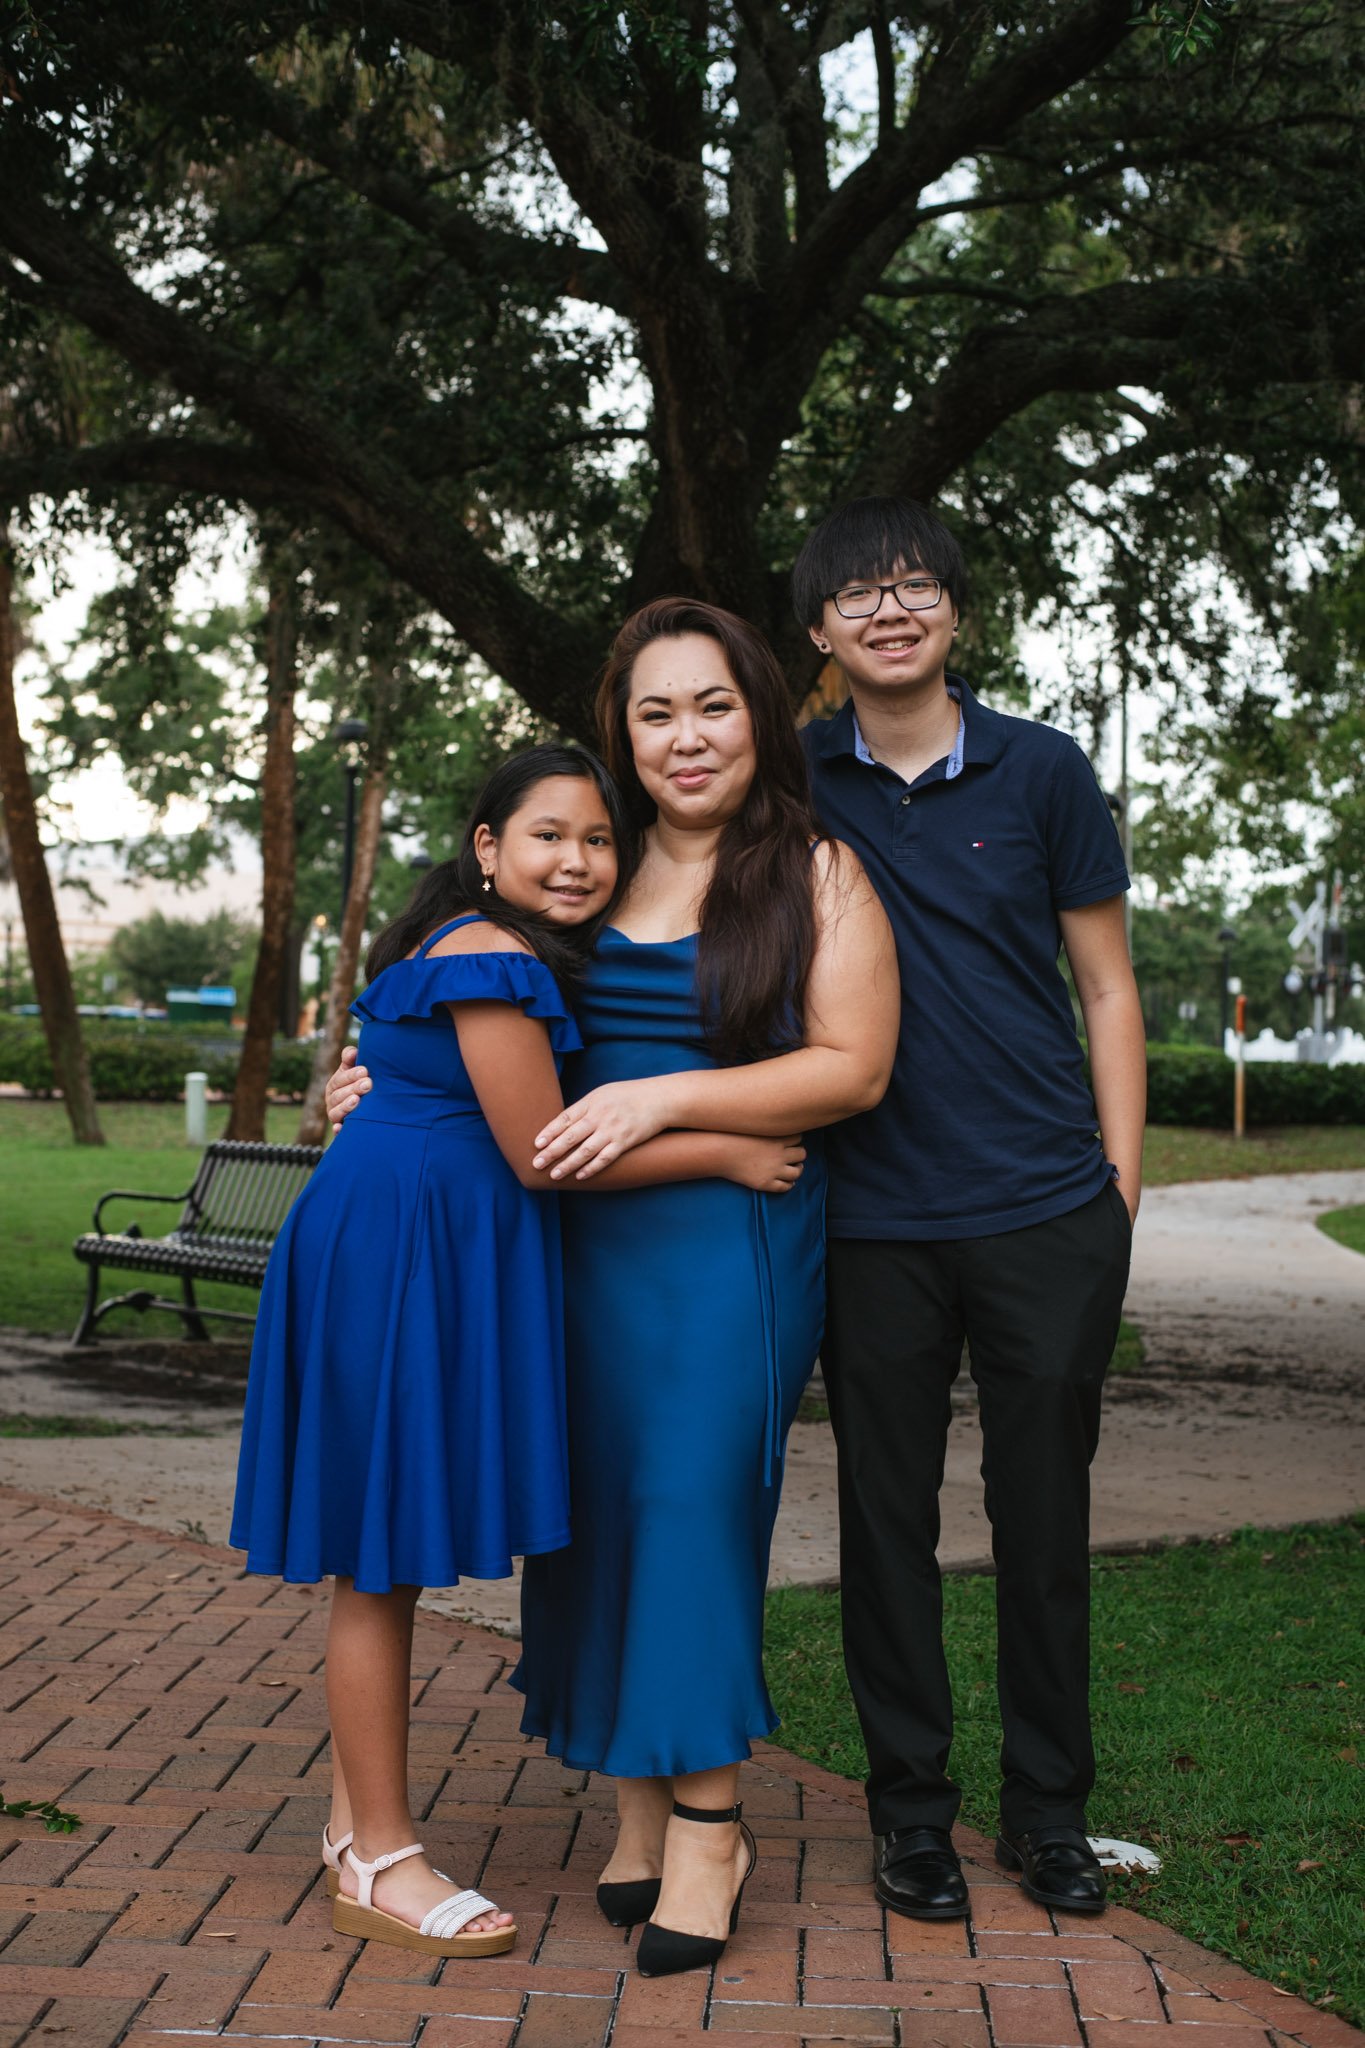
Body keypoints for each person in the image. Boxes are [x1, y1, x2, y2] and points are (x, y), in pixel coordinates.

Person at [330, 603, 899, 1979]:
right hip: (576, 1232)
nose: (685, 735)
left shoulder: (812, 871)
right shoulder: (596, 860)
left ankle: (711, 1821)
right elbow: (491, 1024)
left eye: (711, 705)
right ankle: (637, 1805)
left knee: (689, 1505)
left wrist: (663, 1099)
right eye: (655, 713)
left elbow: (853, 1068)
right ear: (623, 734)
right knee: (590, 1516)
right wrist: (384, 1087)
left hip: (728, 1224)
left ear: (757, 711)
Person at [234, 743, 808, 1963]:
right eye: (548, 834)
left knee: (374, 1554)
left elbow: (409, 1078)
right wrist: (724, 1151)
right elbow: (546, 1151)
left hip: (394, 1244)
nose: (580, 860)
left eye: (600, 839)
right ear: (487, 848)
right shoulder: (491, 956)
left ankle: (353, 1830)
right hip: (400, 1265)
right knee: (377, 1563)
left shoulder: (474, 945)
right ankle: (383, 1857)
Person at [790, 496, 1147, 1919]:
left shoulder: (1043, 771)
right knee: (885, 1525)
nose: (889, 608)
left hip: (1046, 1209)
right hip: (867, 1216)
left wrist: (1117, 1190)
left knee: (1043, 1523)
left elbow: (1107, 986)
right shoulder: (792, 780)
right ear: (818, 629)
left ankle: (1049, 1813)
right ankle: (911, 1815)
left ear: (957, 610)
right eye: (856, 593)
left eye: (913, 585)